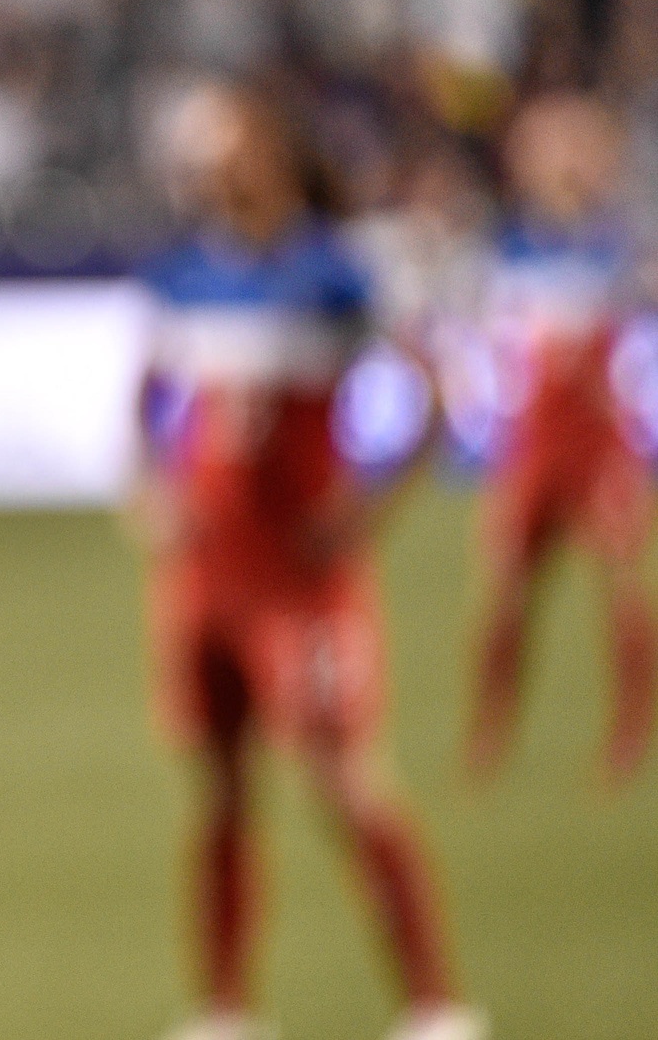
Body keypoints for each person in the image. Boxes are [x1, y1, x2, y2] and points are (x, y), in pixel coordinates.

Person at [134, 85, 482, 1040]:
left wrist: (367, 510)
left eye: (231, 151)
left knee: (348, 782)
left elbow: (439, 393)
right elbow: (146, 391)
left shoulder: (334, 274)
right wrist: (152, 488)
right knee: (221, 791)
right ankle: (225, 1009)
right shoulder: (184, 275)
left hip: (301, 583)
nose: (214, 169)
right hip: (207, 578)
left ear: (274, 157)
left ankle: (436, 1004)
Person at [465, 91, 657, 785]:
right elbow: (494, 351)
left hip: (600, 445)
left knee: (621, 586)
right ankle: (491, 728)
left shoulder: (616, 247)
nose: (564, 164)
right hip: (534, 447)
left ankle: (630, 732)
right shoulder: (510, 246)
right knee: (509, 589)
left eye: (576, 149)